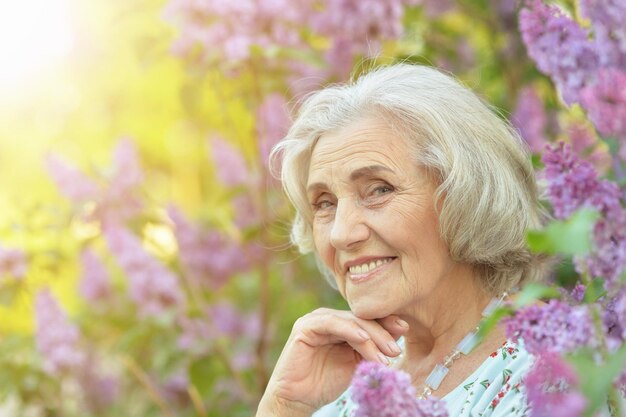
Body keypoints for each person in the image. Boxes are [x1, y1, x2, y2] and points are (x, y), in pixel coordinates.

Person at [256, 64, 545, 417]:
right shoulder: (343, 391)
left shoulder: (549, 368)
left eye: (379, 190)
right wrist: (285, 406)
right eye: (325, 203)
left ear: (464, 195)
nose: (342, 233)